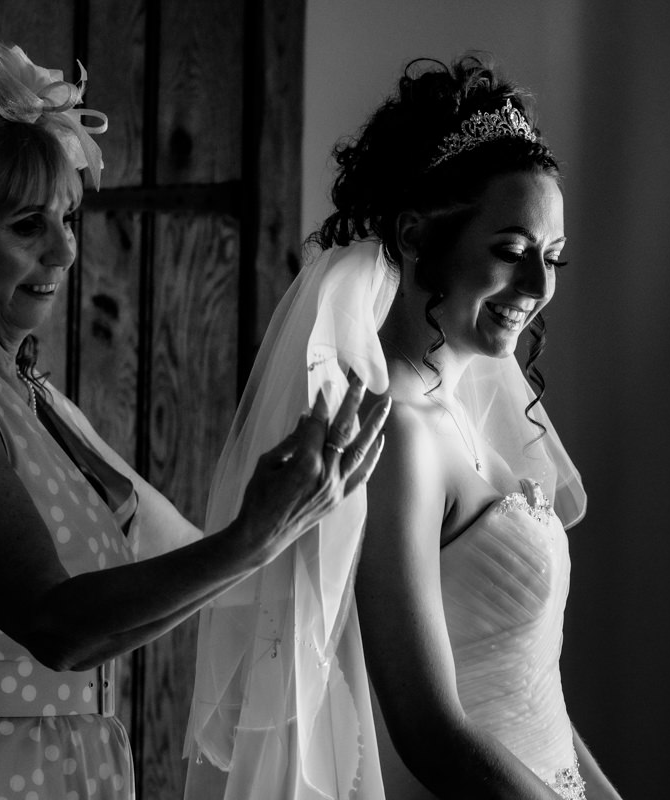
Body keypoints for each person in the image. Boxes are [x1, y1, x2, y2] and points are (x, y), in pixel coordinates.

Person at [0, 8, 388, 800]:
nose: (63, 250)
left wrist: (296, 516)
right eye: (28, 225)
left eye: (67, 217)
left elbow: (168, 591)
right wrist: (252, 537)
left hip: (67, 768)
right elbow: (59, 626)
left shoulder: (32, 399)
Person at [185, 56, 622, 799]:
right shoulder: (400, 437)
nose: (539, 288)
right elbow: (428, 728)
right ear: (418, 234)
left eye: (553, 258)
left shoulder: (468, 404)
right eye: (512, 253)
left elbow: (532, 680)